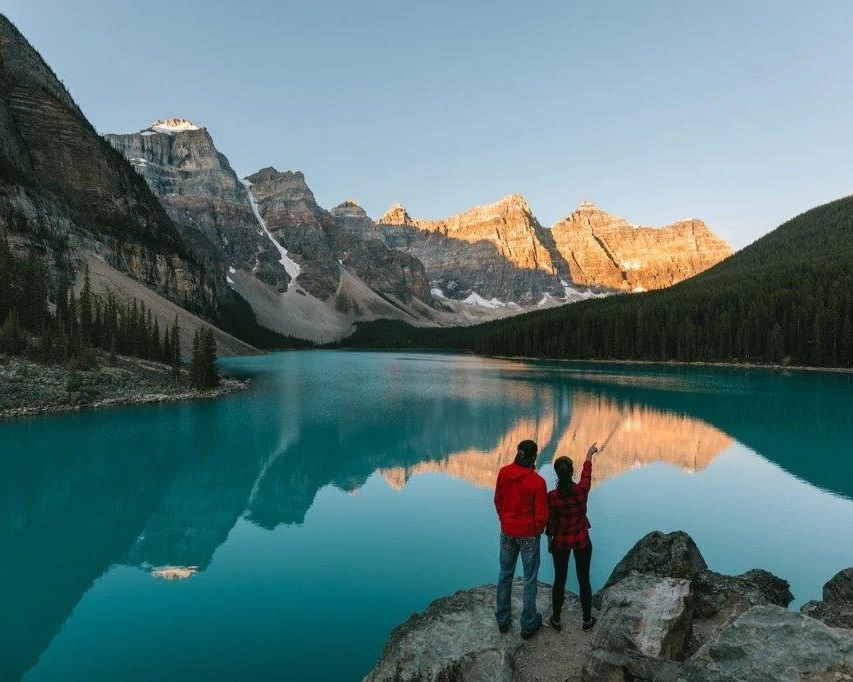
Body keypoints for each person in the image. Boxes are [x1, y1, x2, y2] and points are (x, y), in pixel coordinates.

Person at [494, 439, 549, 639]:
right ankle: (527, 623)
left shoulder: (503, 473)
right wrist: (535, 530)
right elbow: (542, 514)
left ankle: (502, 618)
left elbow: (498, 500)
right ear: (534, 456)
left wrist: (505, 520)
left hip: (507, 531)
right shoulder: (537, 482)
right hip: (528, 536)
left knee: (505, 574)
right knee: (529, 579)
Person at [546, 442, 599, 632]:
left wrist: (549, 541)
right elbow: (586, 475)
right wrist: (588, 455)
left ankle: (557, 619)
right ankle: (586, 620)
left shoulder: (552, 497)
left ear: (557, 474)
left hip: (560, 543)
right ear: (571, 472)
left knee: (559, 579)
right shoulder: (581, 491)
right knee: (584, 579)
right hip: (582, 541)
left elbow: (550, 523)